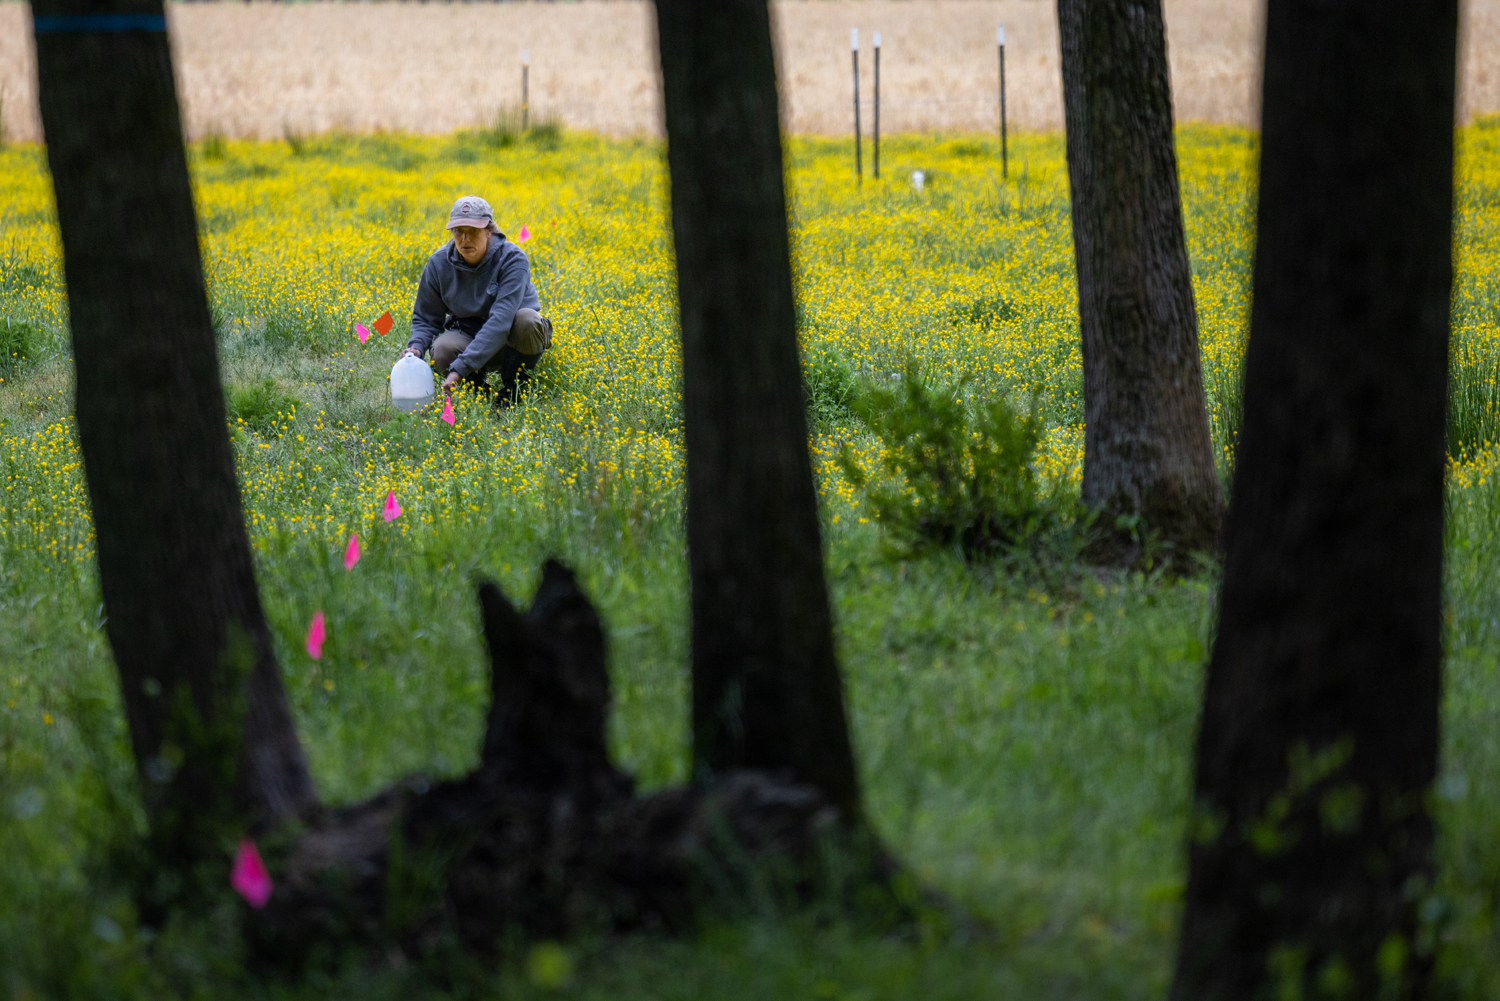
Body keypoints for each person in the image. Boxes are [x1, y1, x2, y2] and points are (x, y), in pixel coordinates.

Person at [400, 195, 552, 407]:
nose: (465, 239)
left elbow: (501, 321)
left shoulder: (513, 259)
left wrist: (459, 368)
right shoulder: (438, 264)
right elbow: (426, 319)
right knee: (443, 349)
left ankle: (514, 391)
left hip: (512, 337)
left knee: (528, 320)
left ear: (489, 230)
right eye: (459, 231)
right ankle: (483, 395)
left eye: (473, 231)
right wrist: (416, 347)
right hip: (469, 334)